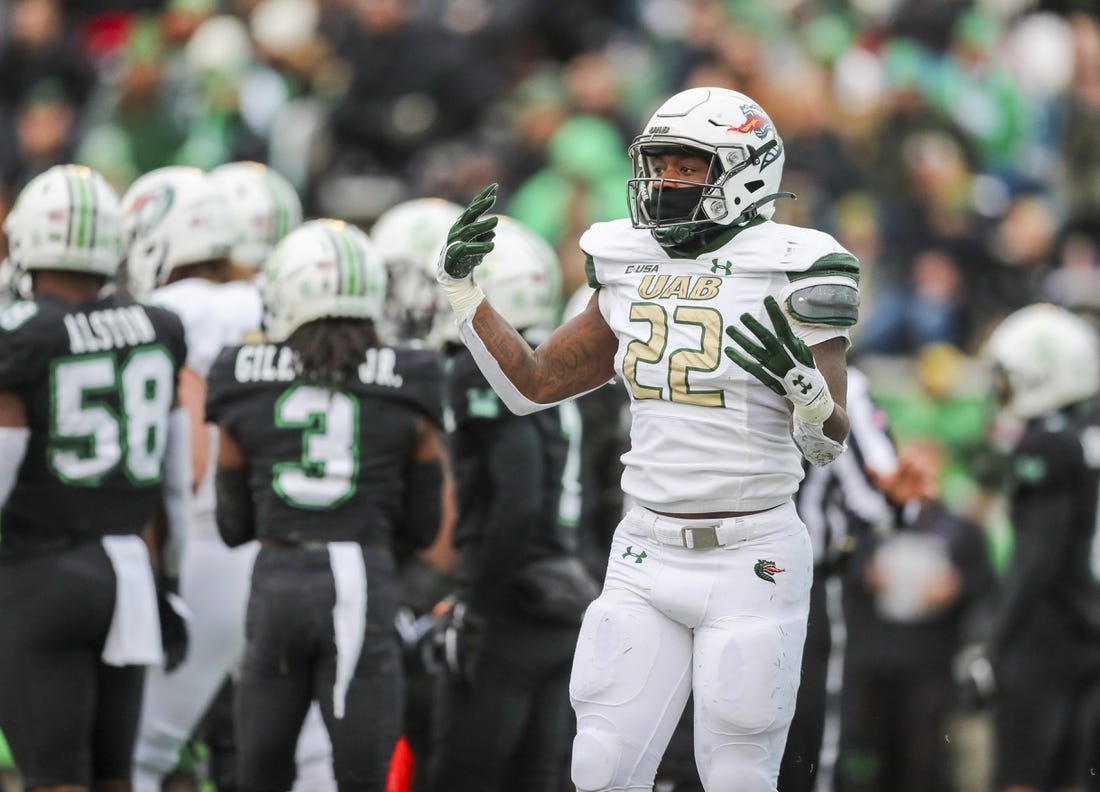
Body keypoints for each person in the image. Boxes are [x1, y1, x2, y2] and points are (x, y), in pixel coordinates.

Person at [435, 86, 858, 791]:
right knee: (599, 768)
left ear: (745, 170)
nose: (663, 181)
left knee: (736, 774)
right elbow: (532, 385)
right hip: (644, 547)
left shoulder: (795, 264)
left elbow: (826, 446)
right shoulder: (628, 259)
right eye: (657, 163)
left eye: (686, 166)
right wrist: (464, 296)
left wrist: (808, 395)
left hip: (751, 552)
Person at [205, 218, 449, 792]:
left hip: (276, 581)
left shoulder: (238, 373)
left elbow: (233, 524)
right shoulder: (413, 374)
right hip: (360, 579)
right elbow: (424, 524)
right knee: (360, 776)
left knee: (259, 772)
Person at [124, 164, 333, 792]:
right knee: (313, 753)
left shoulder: (165, 312)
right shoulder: (281, 303)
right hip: (308, 551)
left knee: (139, 751)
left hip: (211, 544)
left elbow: (184, 464)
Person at [0, 164, 190, 792]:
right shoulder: (158, 326)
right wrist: (171, 581)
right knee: (116, 779)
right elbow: (173, 482)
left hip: (39, 575)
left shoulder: (21, 334)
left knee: (54, 779)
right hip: (129, 578)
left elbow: (3, 459)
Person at [427, 215, 597, 792]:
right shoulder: (550, 362)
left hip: (510, 603)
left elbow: (519, 496)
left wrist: (473, 604)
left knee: (465, 777)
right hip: (562, 592)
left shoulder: (483, 369)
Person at [983, 303, 1100, 792]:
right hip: (1089, 627)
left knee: (1023, 776)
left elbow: (1036, 557)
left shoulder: (1045, 447)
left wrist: (994, 647)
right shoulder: (1083, 437)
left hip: (1047, 635)